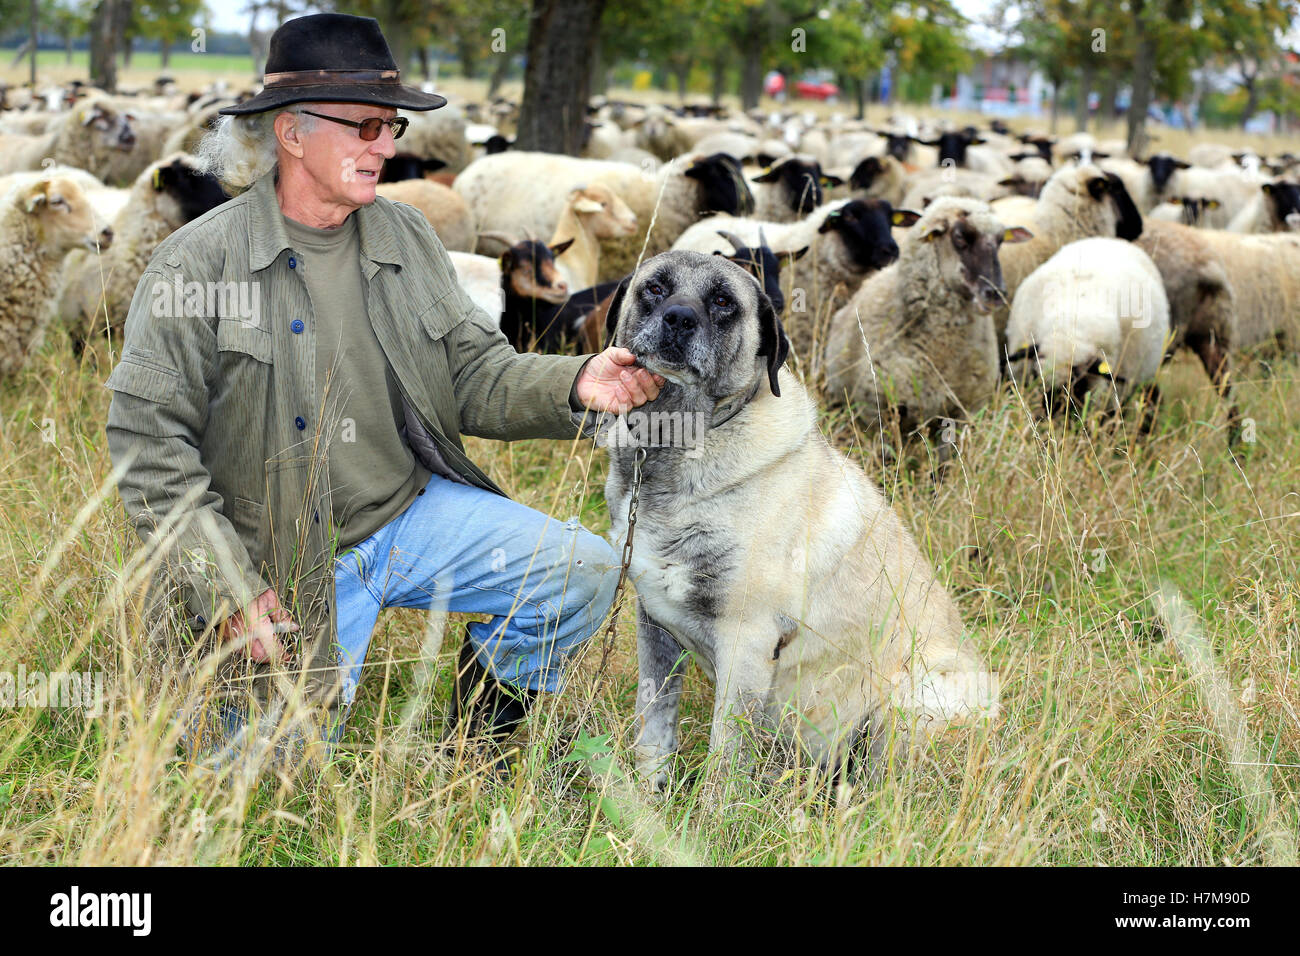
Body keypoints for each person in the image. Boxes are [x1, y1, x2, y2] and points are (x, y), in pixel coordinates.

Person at [104, 13, 663, 766]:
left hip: (408, 517)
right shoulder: (196, 267)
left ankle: (482, 738)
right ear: (291, 133)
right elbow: (147, 444)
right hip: (278, 562)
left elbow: (475, 374)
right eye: (366, 127)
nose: (389, 146)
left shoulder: (405, 236)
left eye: (391, 125)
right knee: (271, 781)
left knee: (582, 571)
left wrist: (577, 381)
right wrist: (226, 585)